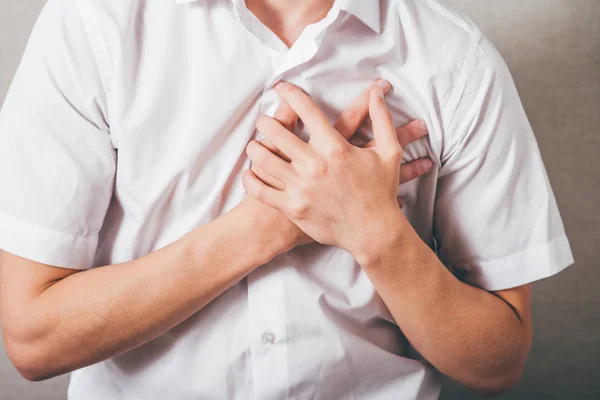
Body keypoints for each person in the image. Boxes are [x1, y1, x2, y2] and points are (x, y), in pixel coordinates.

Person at [0, 0, 574, 399]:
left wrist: (376, 233)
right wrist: (265, 229)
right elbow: (32, 338)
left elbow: (498, 362)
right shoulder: (93, 27)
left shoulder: (457, 62)